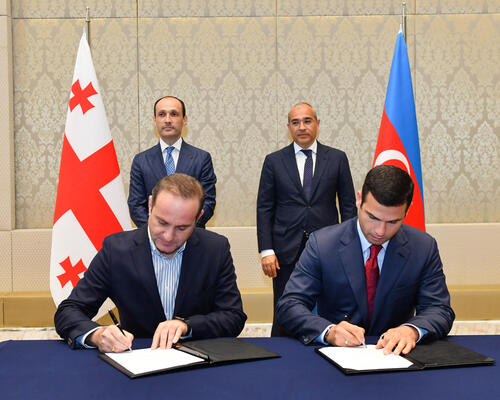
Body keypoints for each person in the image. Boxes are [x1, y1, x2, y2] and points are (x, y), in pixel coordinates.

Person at [55, 173, 246, 352]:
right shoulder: (117, 250)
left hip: (198, 361)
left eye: (182, 228)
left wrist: (187, 326)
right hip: (135, 358)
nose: (169, 236)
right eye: (162, 223)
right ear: (150, 206)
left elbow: (233, 316)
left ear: (198, 218)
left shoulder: (215, 249)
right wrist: (97, 335)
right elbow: (69, 311)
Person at [276, 165, 455, 355]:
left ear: (407, 211)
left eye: (393, 222)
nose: (380, 231)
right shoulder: (322, 244)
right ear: (359, 199)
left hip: (394, 355)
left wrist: (411, 330)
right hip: (336, 354)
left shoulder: (423, 247)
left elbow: (439, 309)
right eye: (373, 217)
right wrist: (329, 332)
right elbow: (289, 305)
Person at [256, 102, 357, 336]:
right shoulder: (274, 161)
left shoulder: (337, 158)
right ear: (288, 127)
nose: (302, 127)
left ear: (317, 124)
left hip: (329, 247)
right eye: (295, 122)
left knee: (329, 306)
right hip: (285, 249)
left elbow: (348, 205)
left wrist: (350, 245)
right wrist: (266, 250)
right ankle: (282, 350)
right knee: (284, 306)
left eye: (307, 121)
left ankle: (330, 341)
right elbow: (265, 208)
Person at [128, 96, 216, 228]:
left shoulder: (202, 158)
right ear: (155, 120)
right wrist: (158, 231)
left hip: (192, 235)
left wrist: (182, 228)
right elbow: (136, 206)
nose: (168, 120)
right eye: (162, 114)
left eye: (174, 114)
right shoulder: (141, 161)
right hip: (153, 237)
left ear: (184, 120)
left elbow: (208, 203)